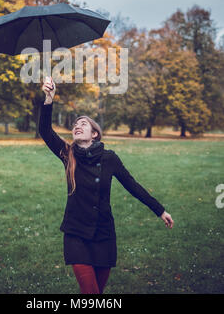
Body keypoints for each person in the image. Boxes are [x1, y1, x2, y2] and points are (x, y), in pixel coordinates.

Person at [39, 76, 174, 294]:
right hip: (76, 233)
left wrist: (160, 210)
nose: (77, 126)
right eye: (75, 124)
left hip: (104, 234)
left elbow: (132, 185)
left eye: (83, 124)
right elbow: (45, 131)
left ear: (94, 134)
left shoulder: (109, 158)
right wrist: (48, 98)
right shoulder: (68, 154)